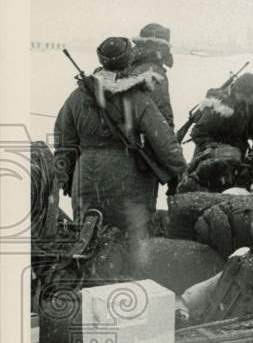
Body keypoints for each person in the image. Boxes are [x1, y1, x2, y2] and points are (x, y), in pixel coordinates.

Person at [53, 37, 186, 240]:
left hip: (86, 179)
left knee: (87, 238)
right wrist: (179, 171)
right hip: (128, 180)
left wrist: (67, 178)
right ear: (127, 60)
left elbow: (64, 142)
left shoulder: (76, 97)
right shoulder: (137, 98)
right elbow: (163, 140)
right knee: (130, 244)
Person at [189, 71, 253, 158]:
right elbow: (197, 133)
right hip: (211, 159)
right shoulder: (219, 105)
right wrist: (220, 150)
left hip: (237, 157)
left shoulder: (252, 105)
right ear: (244, 94)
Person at [130, 22, 175, 129]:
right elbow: (161, 110)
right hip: (148, 136)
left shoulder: (133, 64)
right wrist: (170, 137)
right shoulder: (153, 70)